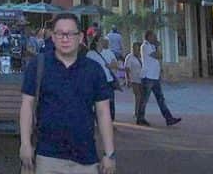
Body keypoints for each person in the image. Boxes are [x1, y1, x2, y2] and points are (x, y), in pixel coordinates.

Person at [19, 12, 115, 174]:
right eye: (60, 34)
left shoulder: (94, 70)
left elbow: (103, 112)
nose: (65, 38)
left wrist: (109, 153)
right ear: (53, 37)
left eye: (70, 34)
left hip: (86, 159)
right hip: (47, 157)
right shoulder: (38, 66)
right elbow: (27, 106)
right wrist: (25, 143)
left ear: (80, 37)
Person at [139, 30, 181, 127]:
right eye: (153, 36)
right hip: (148, 77)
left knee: (160, 99)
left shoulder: (152, 46)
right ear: (148, 37)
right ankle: (140, 118)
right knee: (144, 99)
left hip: (154, 77)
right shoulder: (145, 46)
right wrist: (157, 47)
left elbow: (160, 56)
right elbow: (157, 55)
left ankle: (169, 118)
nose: (155, 38)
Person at [85, 36, 119, 120]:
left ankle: (110, 121)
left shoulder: (109, 52)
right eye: (101, 40)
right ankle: (99, 120)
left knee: (110, 102)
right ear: (96, 42)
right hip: (96, 82)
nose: (103, 42)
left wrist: (110, 65)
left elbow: (116, 65)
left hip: (108, 81)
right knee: (98, 102)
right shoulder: (90, 54)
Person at [124, 42, 146, 125]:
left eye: (136, 48)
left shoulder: (141, 57)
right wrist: (128, 80)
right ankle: (136, 112)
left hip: (142, 79)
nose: (135, 50)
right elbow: (127, 69)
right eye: (133, 48)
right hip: (134, 79)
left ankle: (140, 112)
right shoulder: (129, 57)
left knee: (142, 96)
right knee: (138, 95)